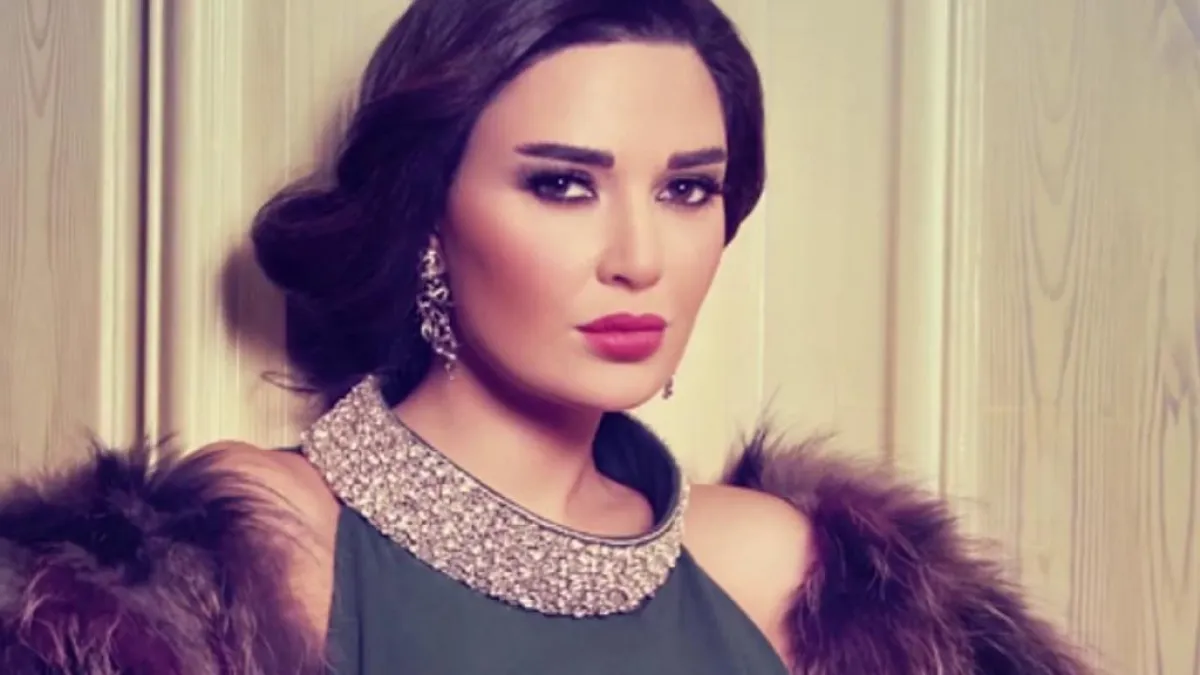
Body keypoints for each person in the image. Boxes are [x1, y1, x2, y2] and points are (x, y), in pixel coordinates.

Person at [0, 0, 1094, 673]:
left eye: (688, 190)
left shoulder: (787, 570)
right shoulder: (263, 543)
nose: (640, 257)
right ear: (429, 214)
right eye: (563, 184)